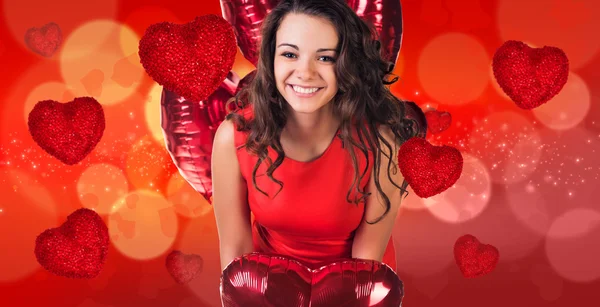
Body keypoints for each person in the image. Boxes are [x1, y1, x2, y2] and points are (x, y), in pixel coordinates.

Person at [211, 0, 424, 273]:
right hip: (268, 290)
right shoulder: (235, 137)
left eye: (325, 58)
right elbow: (235, 258)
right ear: (271, 59)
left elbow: (367, 262)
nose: (305, 73)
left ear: (347, 65)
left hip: (354, 289)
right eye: (289, 54)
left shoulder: (383, 143)